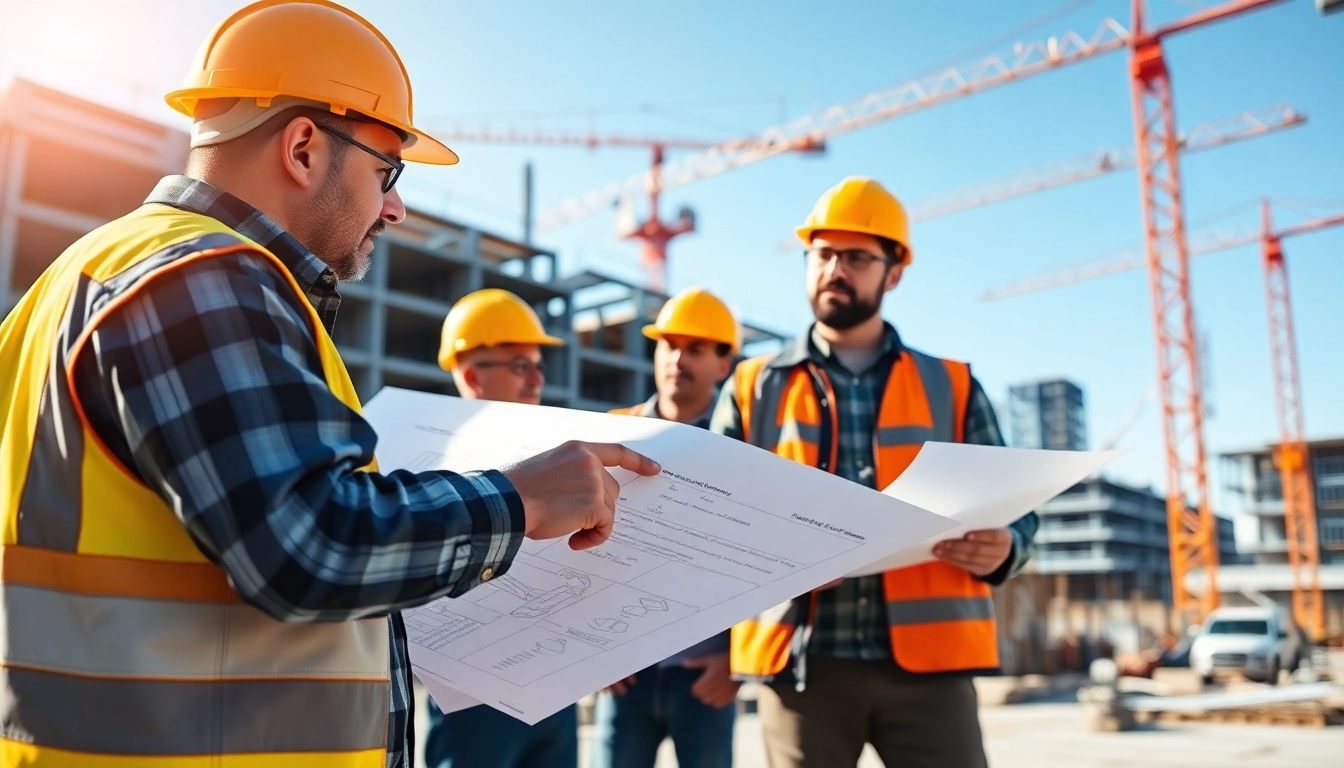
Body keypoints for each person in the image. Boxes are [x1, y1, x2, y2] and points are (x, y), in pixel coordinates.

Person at [0, 3, 658, 766]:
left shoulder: (75, 280)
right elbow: (311, 544)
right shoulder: (204, 280)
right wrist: (522, 499)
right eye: (387, 170)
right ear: (305, 146)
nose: (396, 206)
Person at [711, 177, 1038, 768]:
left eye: (857, 257)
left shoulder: (955, 385)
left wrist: (1008, 546)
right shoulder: (750, 386)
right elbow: (705, 516)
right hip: (801, 666)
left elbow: (1019, 512)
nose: (836, 268)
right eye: (824, 253)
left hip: (932, 673)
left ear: (894, 272)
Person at [424, 287, 578, 768]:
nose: (536, 379)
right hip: (472, 694)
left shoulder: (556, 455)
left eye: (537, 365)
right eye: (519, 365)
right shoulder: (432, 465)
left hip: (556, 683)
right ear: (471, 375)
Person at [591, 287, 741, 768]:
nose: (678, 358)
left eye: (695, 348)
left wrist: (739, 662)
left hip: (707, 675)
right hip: (625, 670)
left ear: (723, 364)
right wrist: (588, 654)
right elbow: (581, 552)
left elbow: (769, 563)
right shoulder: (615, 431)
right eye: (669, 345)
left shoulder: (749, 447)